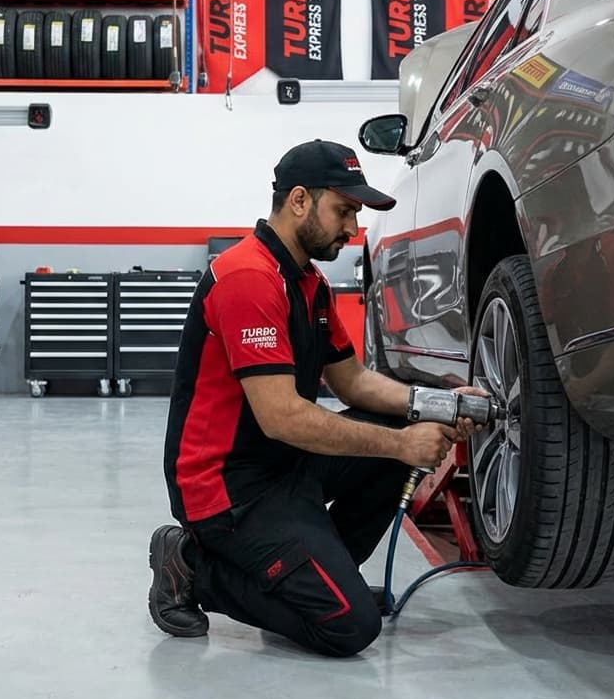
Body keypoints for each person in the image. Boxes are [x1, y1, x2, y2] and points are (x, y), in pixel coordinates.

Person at [149, 139, 483, 658]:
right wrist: (400, 446)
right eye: (345, 210)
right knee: (350, 628)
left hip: (279, 467)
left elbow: (352, 383)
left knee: (392, 433)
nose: (354, 229)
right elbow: (282, 416)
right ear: (300, 201)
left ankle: (320, 581)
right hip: (227, 489)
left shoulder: (309, 283)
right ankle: (190, 567)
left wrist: (441, 404)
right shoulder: (248, 279)